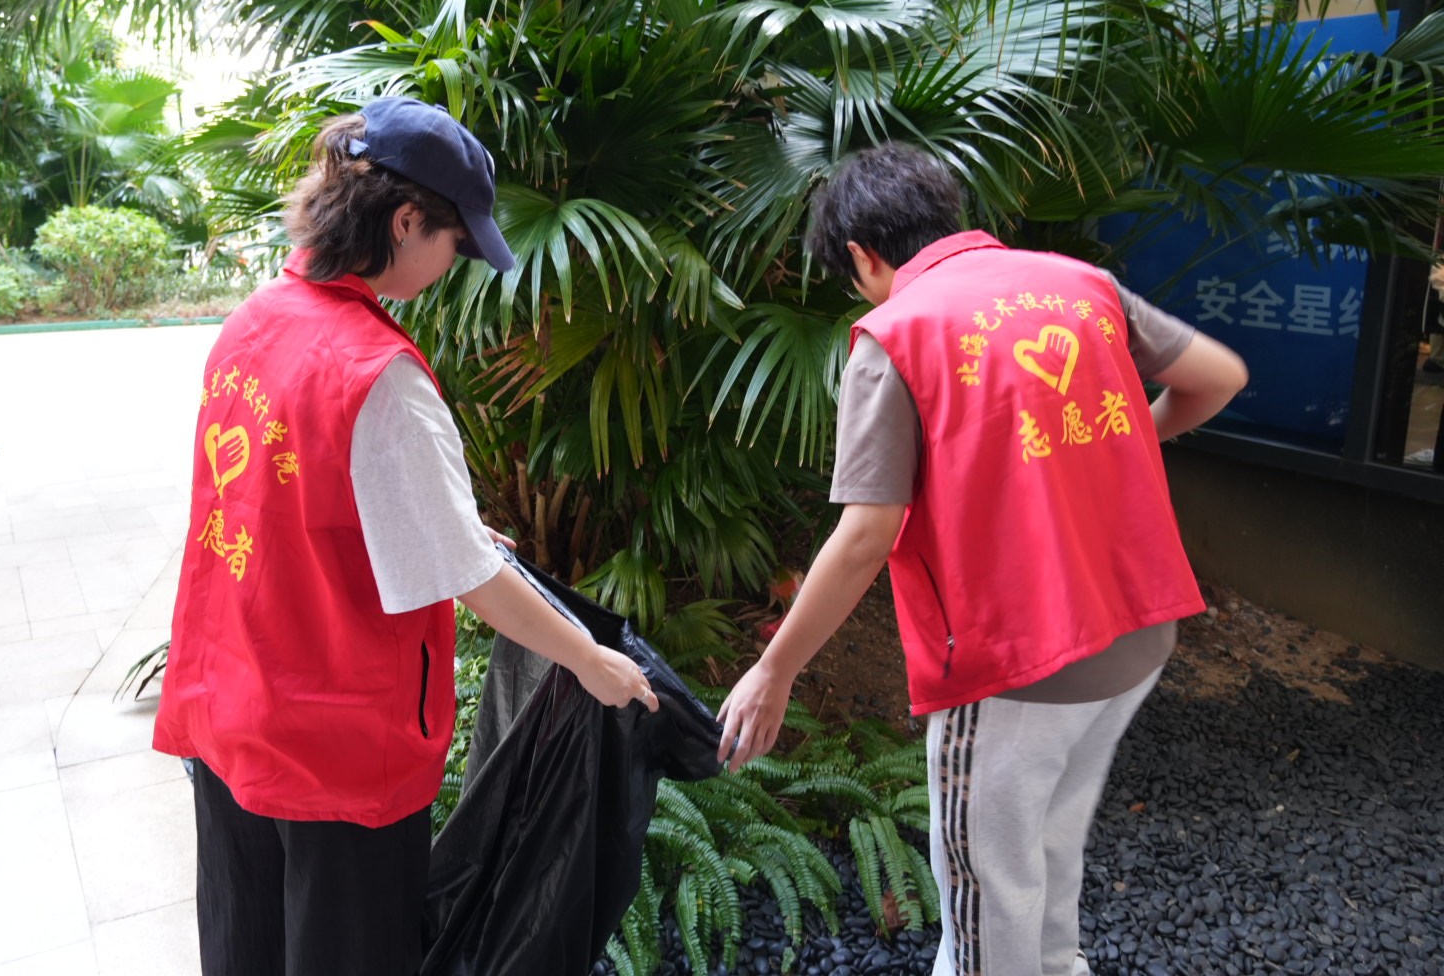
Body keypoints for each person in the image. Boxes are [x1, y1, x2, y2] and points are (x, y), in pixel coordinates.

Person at [152, 97, 658, 976]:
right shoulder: (377, 373)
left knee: (249, 947)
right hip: (340, 745)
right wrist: (591, 661)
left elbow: (284, 496)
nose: (454, 263)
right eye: (455, 241)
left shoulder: (255, 321)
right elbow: (469, 576)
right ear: (406, 220)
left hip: (235, 704)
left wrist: (434, 517)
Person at [715, 143, 1248, 976]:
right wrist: (1117, 440)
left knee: (984, 900)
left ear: (862, 255)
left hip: (1016, 670)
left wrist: (773, 670)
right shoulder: (1080, 285)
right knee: (1050, 846)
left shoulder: (898, 333)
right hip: (1137, 635)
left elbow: (865, 535)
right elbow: (1218, 376)